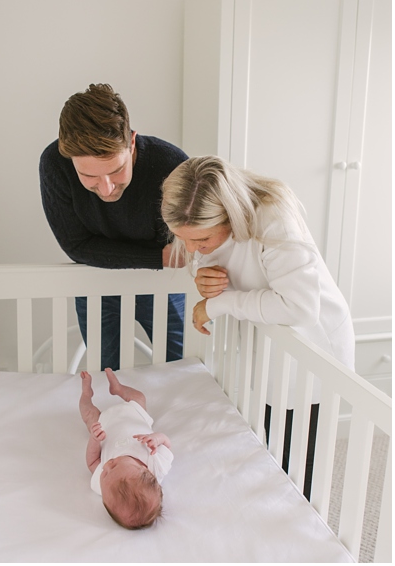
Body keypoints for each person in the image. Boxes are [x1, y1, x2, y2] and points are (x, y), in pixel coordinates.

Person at [161, 154, 355, 498]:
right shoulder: (209, 227)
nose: (190, 249)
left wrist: (216, 304)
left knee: (302, 461)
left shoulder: (273, 216)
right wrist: (205, 280)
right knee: (272, 448)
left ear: (230, 217)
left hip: (313, 344)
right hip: (267, 346)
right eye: (184, 239)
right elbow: (223, 267)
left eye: (200, 240)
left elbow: (299, 307)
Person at [39, 83, 189, 370]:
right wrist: (158, 256)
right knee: (106, 372)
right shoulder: (55, 165)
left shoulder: (171, 165)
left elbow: (183, 243)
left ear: (132, 142)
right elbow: (77, 246)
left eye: (116, 170)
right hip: (99, 280)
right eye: (89, 176)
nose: (106, 189)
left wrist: (164, 259)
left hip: (163, 281)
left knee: (184, 364)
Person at [80, 368, 172, 529]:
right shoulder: (155, 463)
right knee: (139, 397)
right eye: (113, 466)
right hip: (134, 414)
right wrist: (156, 438)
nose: (106, 466)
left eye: (104, 474)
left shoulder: (102, 486)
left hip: (103, 424)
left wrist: (95, 439)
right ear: (144, 469)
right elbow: (167, 443)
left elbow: (92, 462)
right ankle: (118, 388)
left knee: (87, 413)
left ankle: (86, 393)